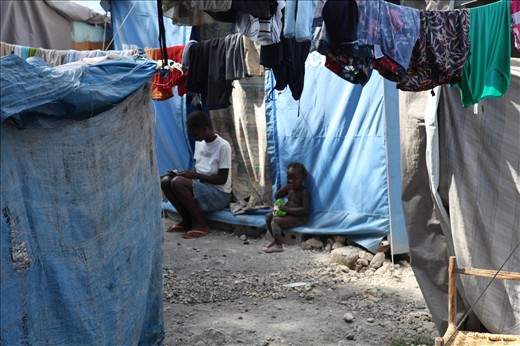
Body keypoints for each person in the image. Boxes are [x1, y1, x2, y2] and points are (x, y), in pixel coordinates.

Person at [161, 110, 232, 239]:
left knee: (178, 182)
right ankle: (187, 220)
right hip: (203, 187)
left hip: (219, 194)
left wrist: (194, 176)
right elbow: (198, 168)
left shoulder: (223, 146)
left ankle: (201, 224)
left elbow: (222, 179)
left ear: (205, 129)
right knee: (166, 181)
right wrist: (184, 173)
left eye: (195, 133)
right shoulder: (200, 143)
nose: (193, 136)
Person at [265, 162, 310, 253]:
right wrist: (283, 189)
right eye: (289, 178)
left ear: (302, 178)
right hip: (288, 214)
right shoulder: (289, 189)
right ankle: (275, 238)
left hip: (299, 218)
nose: (291, 181)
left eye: (295, 178)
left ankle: (279, 246)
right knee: (269, 216)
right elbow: (277, 197)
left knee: (275, 221)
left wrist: (287, 209)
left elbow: (305, 210)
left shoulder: (303, 191)